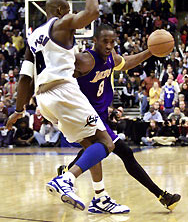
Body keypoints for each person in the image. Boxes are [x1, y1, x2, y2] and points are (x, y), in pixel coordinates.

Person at [6, 0, 117, 212]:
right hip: (63, 91)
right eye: (68, 8)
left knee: (91, 144)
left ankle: (100, 198)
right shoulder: (62, 22)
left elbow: (25, 78)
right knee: (106, 143)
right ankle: (67, 179)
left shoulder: (34, 37)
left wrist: (19, 110)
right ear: (58, 11)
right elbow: (92, 11)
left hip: (43, 101)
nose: (71, 14)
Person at [58, 24, 181, 212]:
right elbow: (61, 78)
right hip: (85, 116)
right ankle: (161, 195)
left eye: (112, 42)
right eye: (105, 41)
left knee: (93, 151)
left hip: (99, 116)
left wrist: (150, 51)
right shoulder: (83, 60)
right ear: (95, 41)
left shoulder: (110, 59)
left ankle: (68, 174)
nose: (109, 46)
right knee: (122, 152)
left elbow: (128, 62)